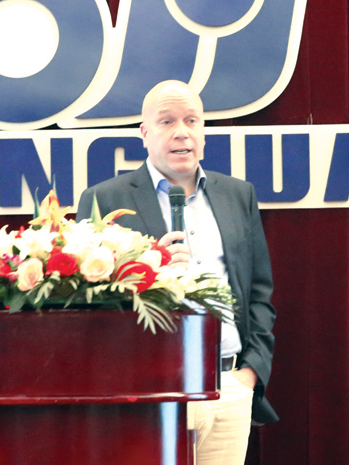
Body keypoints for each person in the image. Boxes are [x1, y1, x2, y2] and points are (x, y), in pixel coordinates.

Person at [76, 80, 278, 464]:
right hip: (148, 391)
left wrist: (251, 372)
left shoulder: (238, 195)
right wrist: (151, 270)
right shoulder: (105, 199)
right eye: (167, 121)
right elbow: (89, 304)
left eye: (191, 120)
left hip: (229, 386)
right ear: (145, 133)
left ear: (203, 131)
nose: (181, 132)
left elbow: (258, 292)